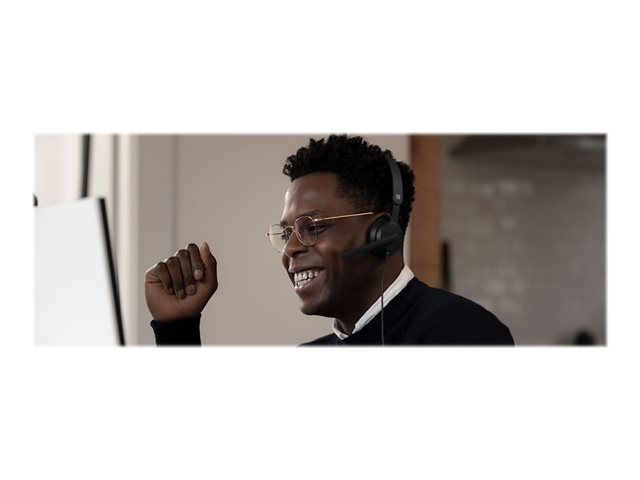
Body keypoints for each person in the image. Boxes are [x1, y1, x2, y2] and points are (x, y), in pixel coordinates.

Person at [145, 135, 514, 346]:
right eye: (287, 232)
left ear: (381, 235)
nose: (291, 249)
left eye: (312, 227)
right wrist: (177, 329)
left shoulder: (460, 332)